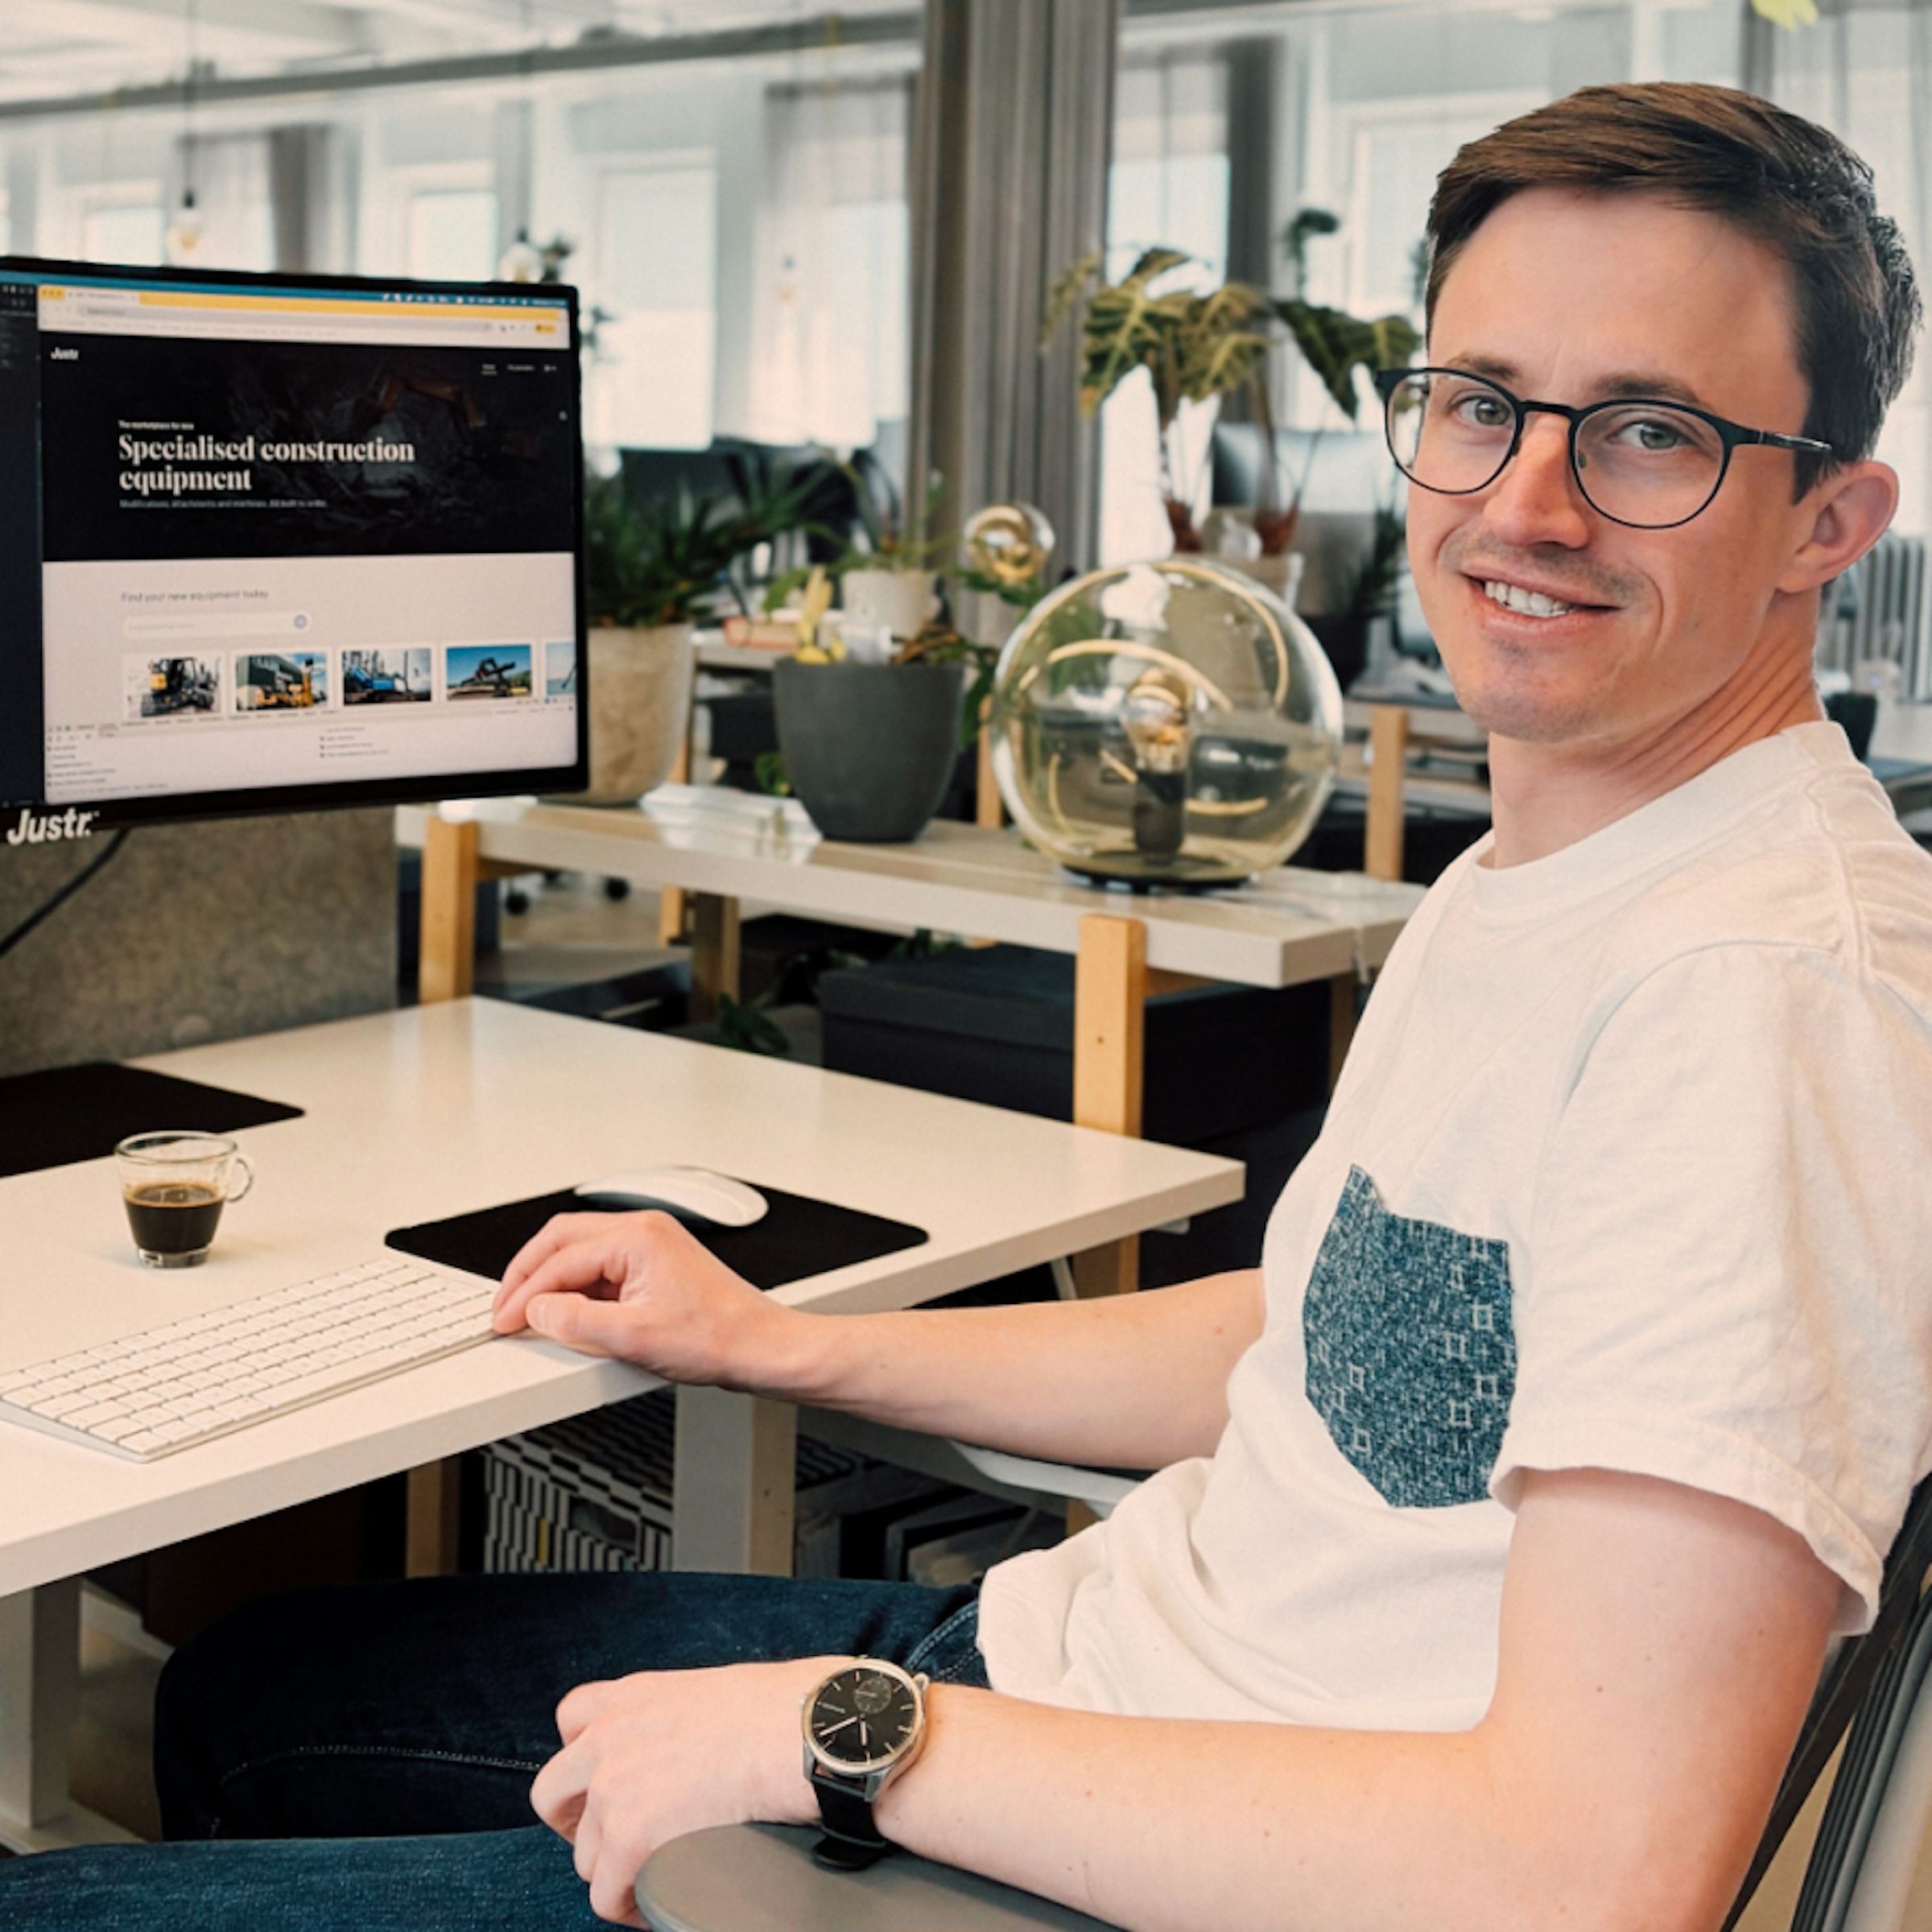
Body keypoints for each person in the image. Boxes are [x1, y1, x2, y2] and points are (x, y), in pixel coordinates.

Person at [6, 79, 1932, 1932]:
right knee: (248, 1695)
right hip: (1051, 1688)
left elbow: (1582, 1881)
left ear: (1832, 525)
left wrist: (849, 1743)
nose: (1529, 501)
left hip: (1115, 1857)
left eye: (1652, 435)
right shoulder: (1554, 868)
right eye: (1480, 402)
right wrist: (783, 1345)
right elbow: (1327, 1344)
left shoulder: (1756, 999)